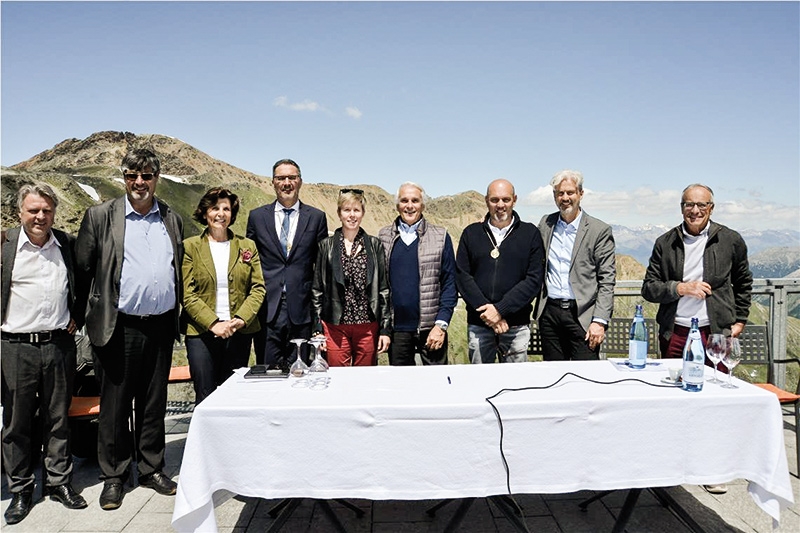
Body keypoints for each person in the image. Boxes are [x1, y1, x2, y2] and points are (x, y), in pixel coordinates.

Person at [75, 148, 183, 510]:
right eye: (132, 175)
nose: (139, 182)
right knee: (116, 405)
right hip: (119, 326)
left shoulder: (170, 216)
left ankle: (151, 468)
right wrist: (86, 318)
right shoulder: (101, 215)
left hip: (161, 325)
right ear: (124, 177)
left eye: (147, 175)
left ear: (157, 178)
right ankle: (114, 476)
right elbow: (83, 269)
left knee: (153, 404)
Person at [642, 183, 752, 497]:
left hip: (715, 331)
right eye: (689, 205)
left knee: (714, 400)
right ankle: (671, 465)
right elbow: (649, 288)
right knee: (674, 399)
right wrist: (680, 288)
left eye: (701, 205)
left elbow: (744, 281)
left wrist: (740, 319)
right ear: (681, 207)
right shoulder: (666, 242)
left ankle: (712, 468)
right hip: (675, 332)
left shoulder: (730, 239)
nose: (695, 211)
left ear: (711, 208)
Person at [1, 184, 88, 524]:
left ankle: (58, 482)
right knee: (17, 422)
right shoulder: (5, 244)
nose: (40, 217)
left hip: (58, 344)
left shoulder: (64, 244)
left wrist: (76, 317)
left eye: (46, 211)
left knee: (58, 418)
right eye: (33, 210)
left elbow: (83, 283)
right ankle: (21, 489)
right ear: (19, 212)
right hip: (15, 345)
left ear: (53, 212)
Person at [182, 187, 266, 403]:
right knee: (206, 394)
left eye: (226, 208)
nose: (221, 213)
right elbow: (187, 294)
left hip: (238, 332)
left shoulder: (247, 246)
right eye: (214, 208)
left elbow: (258, 288)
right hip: (201, 333)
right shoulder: (190, 247)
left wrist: (239, 320)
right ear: (204, 212)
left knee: (234, 395)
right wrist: (214, 324)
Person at [246, 159, 328, 366]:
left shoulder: (316, 218)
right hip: (268, 309)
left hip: (301, 309)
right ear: (272, 182)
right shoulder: (256, 217)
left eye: (292, 177)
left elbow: (320, 267)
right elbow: (250, 263)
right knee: (268, 371)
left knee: (300, 370)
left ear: (300, 181)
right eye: (281, 178)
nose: (286, 183)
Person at [456, 179, 545, 364]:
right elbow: (463, 276)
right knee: (480, 383)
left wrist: (500, 310)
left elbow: (534, 280)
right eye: (495, 200)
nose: (500, 205)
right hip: (479, 325)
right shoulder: (471, 234)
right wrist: (489, 314)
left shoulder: (530, 234)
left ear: (514, 200)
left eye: (506, 199)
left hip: (516, 326)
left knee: (516, 384)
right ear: (486, 200)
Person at [534, 170, 616, 360]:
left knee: (586, 376)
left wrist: (599, 321)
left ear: (580, 194)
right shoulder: (546, 224)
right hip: (550, 314)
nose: (565, 198)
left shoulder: (598, 230)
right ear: (554, 196)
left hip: (582, 316)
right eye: (560, 193)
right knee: (553, 376)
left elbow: (607, 280)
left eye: (570, 192)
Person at [378, 182, 457, 365]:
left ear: (423, 204)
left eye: (415, 200)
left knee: (437, 384)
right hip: (397, 330)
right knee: (401, 386)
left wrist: (441, 324)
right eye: (404, 201)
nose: (410, 206)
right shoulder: (383, 237)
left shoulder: (440, 236)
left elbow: (449, 283)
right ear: (397, 205)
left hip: (431, 329)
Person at [312, 189, 391, 366]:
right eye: (347, 210)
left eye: (356, 210)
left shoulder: (374, 245)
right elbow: (317, 290)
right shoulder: (326, 246)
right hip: (335, 326)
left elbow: (384, 289)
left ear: (363, 213)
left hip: (367, 326)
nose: (352, 215)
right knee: (337, 378)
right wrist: (317, 328)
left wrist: (385, 329)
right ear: (339, 213)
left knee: (364, 380)